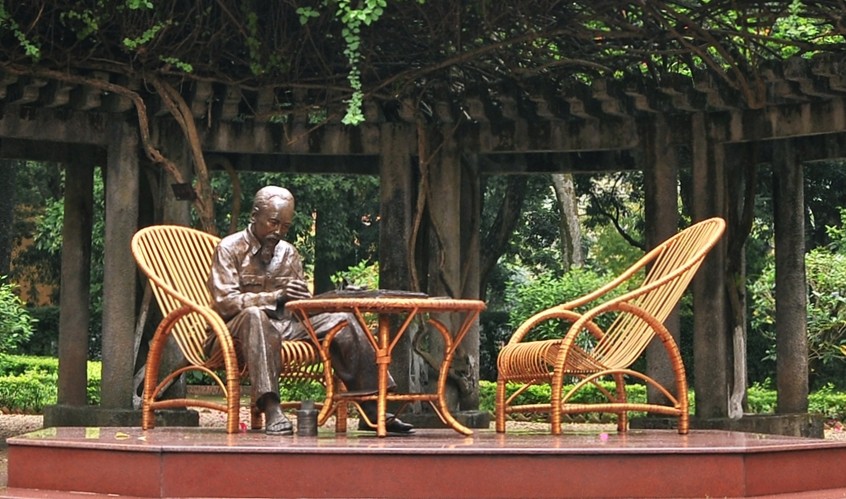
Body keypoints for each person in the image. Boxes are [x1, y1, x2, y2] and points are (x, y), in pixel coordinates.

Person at [206, 186, 414, 435]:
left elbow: (300, 306)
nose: (278, 232)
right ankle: (272, 408)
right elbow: (225, 302)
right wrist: (275, 297)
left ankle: (371, 407)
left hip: (285, 326)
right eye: (273, 223)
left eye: (284, 226)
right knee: (255, 316)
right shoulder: (229, 248)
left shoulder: (288, 253)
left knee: (343, 320)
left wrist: (312, 302)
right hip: (231, 334)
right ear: (255, 215)